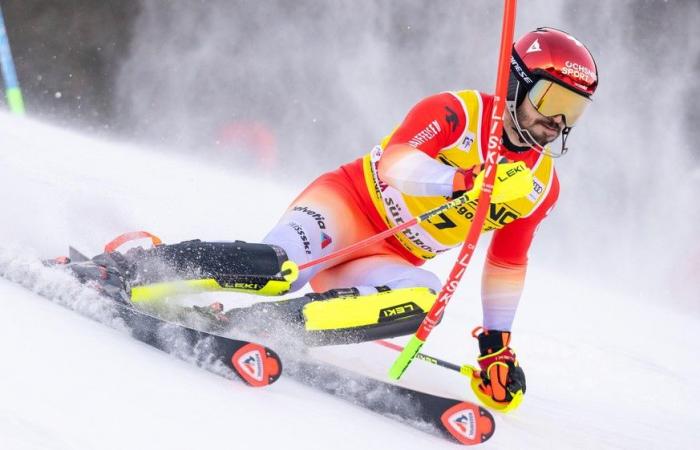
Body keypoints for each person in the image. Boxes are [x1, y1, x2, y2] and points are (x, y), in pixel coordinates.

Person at [60, 27, 598, 411]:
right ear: (516, 82)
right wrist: (463, 181)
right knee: (281, 268)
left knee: (421, 298)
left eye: (571, 111)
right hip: (348, 206)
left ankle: (260, 330)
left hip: (394, 254)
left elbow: (508, 261)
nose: (555, 122)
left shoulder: (539, 186)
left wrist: (495, 347)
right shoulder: (458, 113)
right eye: (550, 99)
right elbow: (396, 165)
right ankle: (134, 268)